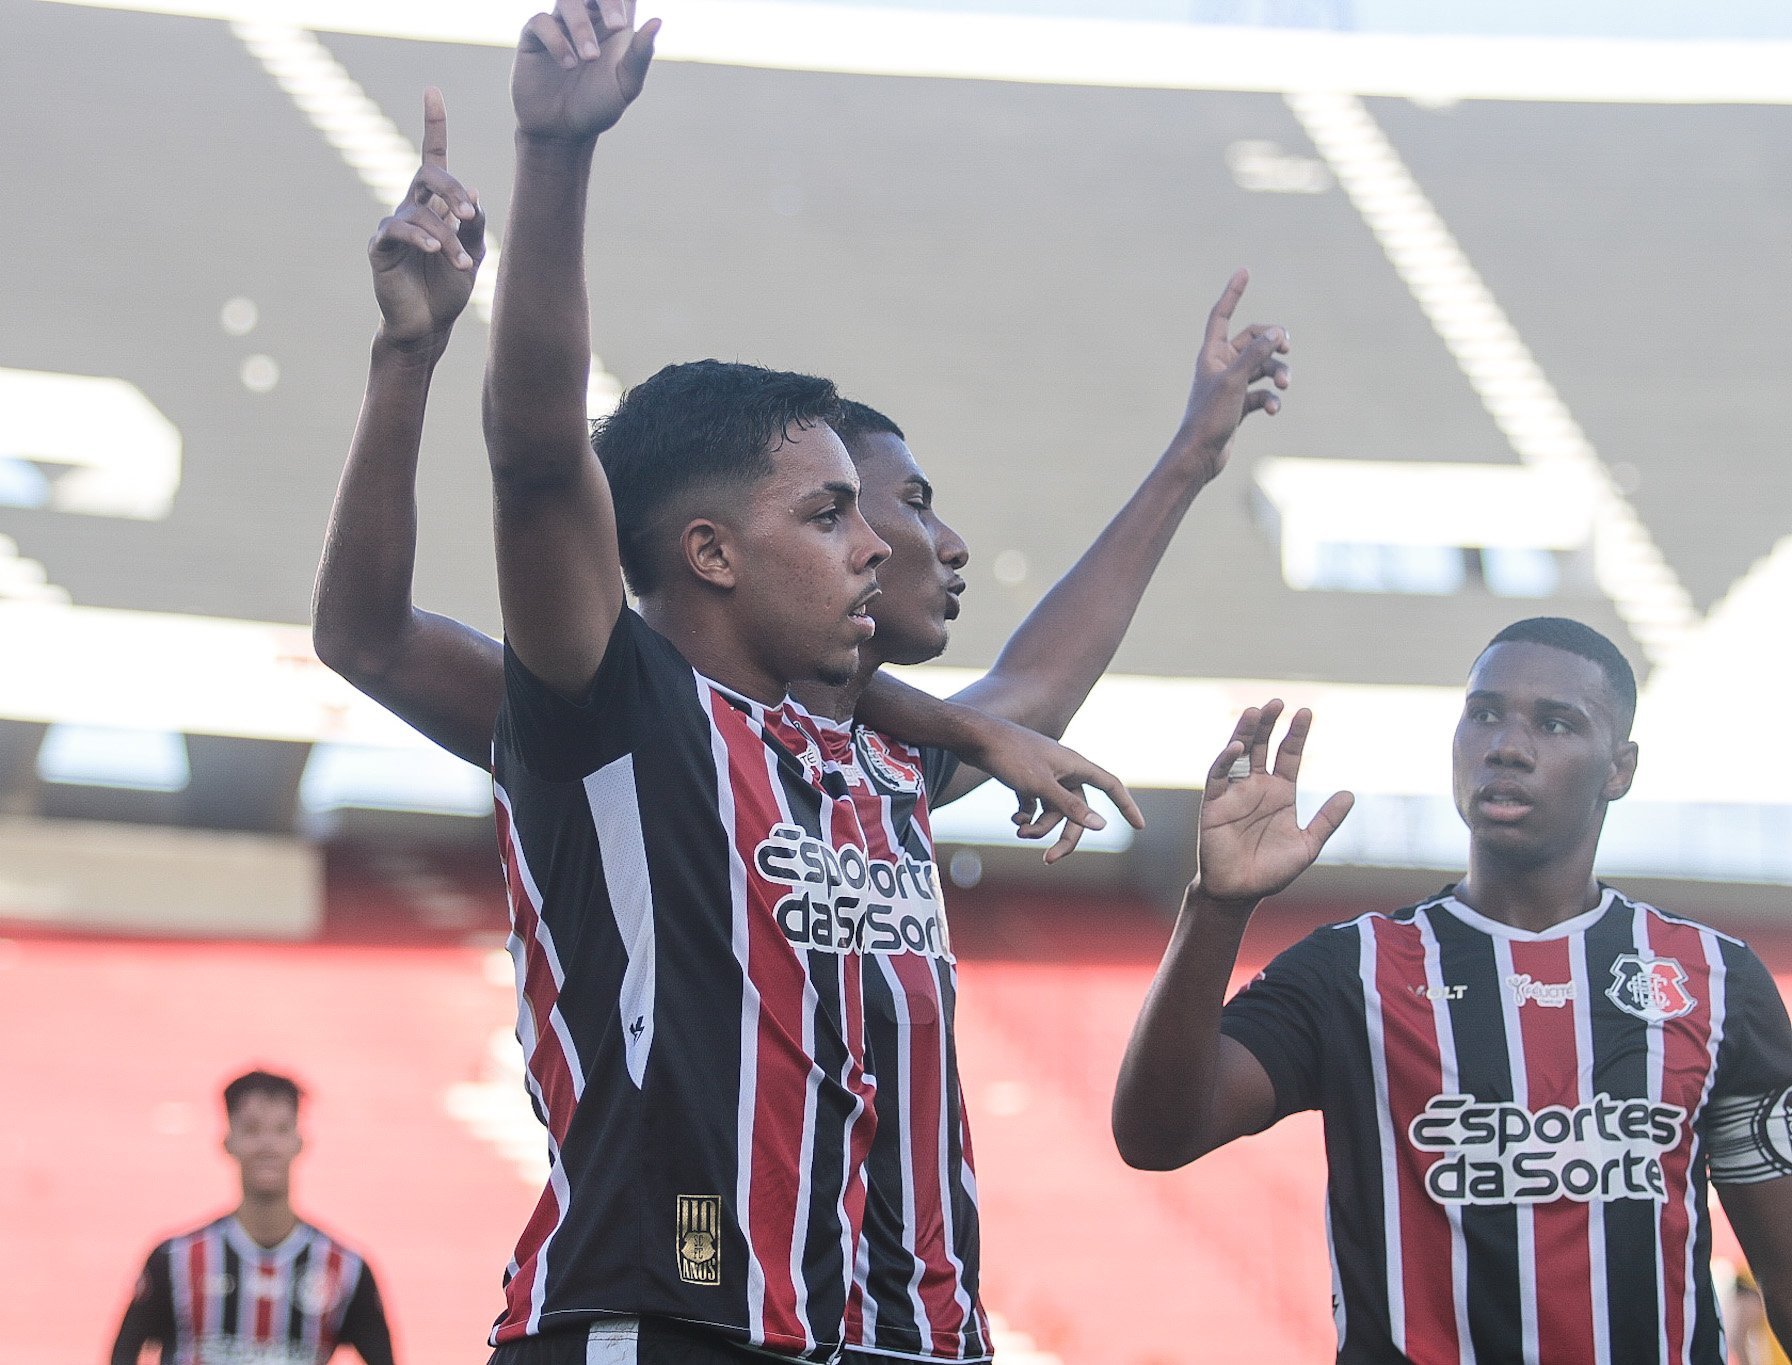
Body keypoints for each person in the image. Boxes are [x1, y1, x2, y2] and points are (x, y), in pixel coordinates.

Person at [312, 47, 1289, 1365]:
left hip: (907, 1338)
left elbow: (1035, 687)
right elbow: (536, 461)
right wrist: (555, 155)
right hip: (673, 1320)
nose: (886, 546)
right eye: (836, 515)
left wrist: (1192, 456)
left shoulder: (876, 754)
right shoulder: (617, 710)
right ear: (709, 551)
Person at [1113, 617, 1792, 1360]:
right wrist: (1218, 905)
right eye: (1485, 712)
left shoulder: (1716, 981)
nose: (1506, 744)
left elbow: (1784, 1268)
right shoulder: (1353, 969)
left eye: (1557, 722)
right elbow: (1155, 1135)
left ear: (1619, 768)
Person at [110, 1071, 393, 1365]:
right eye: (252, 1129)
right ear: (228, 1140)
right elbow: (122, 1354)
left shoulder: (344, 1266)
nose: (267, 1145)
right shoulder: (175, 1260)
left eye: (281, 1129)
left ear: (299, 1141)